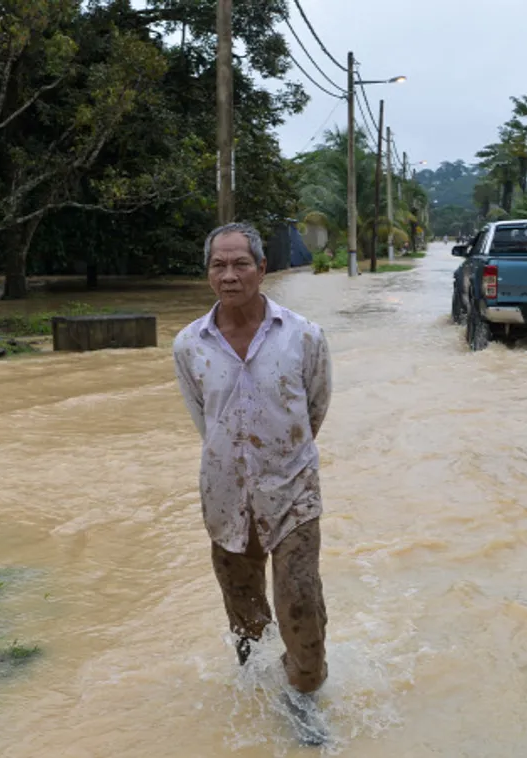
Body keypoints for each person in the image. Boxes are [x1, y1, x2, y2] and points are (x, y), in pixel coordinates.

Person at [173, 222, 332, 698]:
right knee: (244, 613)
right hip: (225, 498)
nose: (229, 275)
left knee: (301, 605)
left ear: (262, 269)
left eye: (241, 263)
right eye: (218, 265)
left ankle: (306, 697)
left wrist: (280, 462)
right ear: (208, 274)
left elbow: (315, 408)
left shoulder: (303, 336)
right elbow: (207, 422)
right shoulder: (189, 345)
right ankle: (258, 692)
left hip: (293, 496)